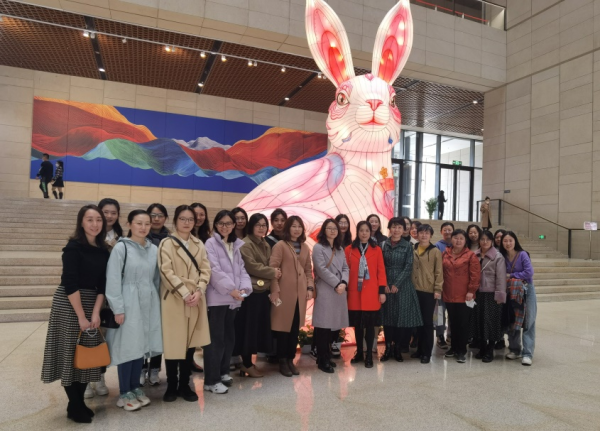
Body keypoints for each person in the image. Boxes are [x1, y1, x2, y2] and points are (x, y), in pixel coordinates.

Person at [41, 205, 109, 423]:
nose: (95, 224)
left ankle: (75, 405)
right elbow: (70, 283)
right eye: (90, 219)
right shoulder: (73, 248)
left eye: (98, 220)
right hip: (70, 303)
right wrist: (81, 315)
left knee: (87, 355)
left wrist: (96, 312)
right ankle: (76, 405)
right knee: (70, 354)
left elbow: (103, 284)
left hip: (92, 302)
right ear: (81, 222)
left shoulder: (104, 250)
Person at [105, 210, 162, 411]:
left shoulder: (153, 249)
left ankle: (135, 387)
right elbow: (113, 279)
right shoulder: (121, 248)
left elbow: (156, 279)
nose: (143, 227)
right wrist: (118, 309)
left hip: (148, 302)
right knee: (127, 347)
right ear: (129, 224)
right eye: (139, 223)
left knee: (141, 346)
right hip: (128, 302)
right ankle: (124, 392)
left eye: (147, 223)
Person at [158, 205, 211, 402]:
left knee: (190, 343)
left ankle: (184, 384)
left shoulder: (199, 244)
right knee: (174, 343)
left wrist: (199, 290)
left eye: (190, 219)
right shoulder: (166, 243)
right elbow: (166, 271)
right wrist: (184, 292)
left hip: (195, 299)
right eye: (183, 219)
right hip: (174, 299)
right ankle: (171, 384)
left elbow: (206, 269)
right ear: (175, 221)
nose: (187, 222)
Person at [204, 210, 252, 394]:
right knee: (215, 340)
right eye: (221, 223)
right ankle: (211, 380)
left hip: (233, 299)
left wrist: (244, 289)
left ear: (234, 225)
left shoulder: (235, 244)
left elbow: (242, 270)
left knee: (228, 338)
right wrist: (232, 290)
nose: (225, 227)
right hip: (218, 298)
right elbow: (213, 270)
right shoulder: (210, 243)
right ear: (216, 225)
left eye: (228, 223)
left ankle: (223, 372)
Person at [83, 198, 123, 400]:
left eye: (113, 212)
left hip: (110, 295)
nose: (109, 216)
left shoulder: (122, 239)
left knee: (104, 338)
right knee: (88, 336)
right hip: (91, 292)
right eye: (105, 212)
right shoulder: (90, 236)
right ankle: (85, 381)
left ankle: (99, 377)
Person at [236, 214, 281, 378]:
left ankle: (249, 363)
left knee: (257, 328)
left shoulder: (265, 243)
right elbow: (251, 266)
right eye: (258, 225)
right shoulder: (245, 244)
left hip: (263, 291)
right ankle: (246, 364)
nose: (262, 228)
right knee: (248, 328)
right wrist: (272, 272)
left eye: (264, 225)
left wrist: (272, 274)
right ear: (251, 226)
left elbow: (268, 264)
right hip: (250, 293)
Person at [269, 216, 314, 377]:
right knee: (283, 328)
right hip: (283, 293)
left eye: (299, 226)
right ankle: (282, 361)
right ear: (288, 228)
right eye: (293, 226)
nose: (296, 229)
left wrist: (310, 287)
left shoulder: (304, 247)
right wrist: (275, 290)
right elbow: (272, 269)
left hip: (300, 294)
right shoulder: (280, 245)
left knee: (294, 328)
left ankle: (290, 359)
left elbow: (308, 270)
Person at [380, 217, 423, 362]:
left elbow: (408, 266)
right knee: (387, 318)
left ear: (404, 229)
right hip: (386, 285)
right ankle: (387, 348)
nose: (396, 230)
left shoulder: (408, 246)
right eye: (394, 227)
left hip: (403, 286)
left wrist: (397, 284)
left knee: (400, 318)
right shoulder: (383, 245)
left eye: (399, 227)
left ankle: (397, 348)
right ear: (389, 228)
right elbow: (380, 266)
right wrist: (385, 283)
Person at [345, 221, 387, 368]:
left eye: (367, 231)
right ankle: (359, 352)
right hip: (354, 293)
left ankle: (369, 354)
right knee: (357, 326)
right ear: (357, 232)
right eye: (361, 230)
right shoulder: (349, 249)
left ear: (370, 233)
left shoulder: (377, 249)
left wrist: (382, 291)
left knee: (370, 326)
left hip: (371, 293)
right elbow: (345, 270)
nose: (364, 233)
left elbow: (381, 271)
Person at [312, 219, 349, 374]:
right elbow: (321, 269)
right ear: (324, 230)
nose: (333, 231)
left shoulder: (340, 249)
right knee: (323, 327)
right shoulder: (318, 247)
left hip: (339, 290)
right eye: (329, 228)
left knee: (333, 326)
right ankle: (322, 359)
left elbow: (346, 267)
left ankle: (326, 356)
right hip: (326, 289)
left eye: (335, 228)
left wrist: (344, 283)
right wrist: (337, 283)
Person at [442, 229, 481, 363]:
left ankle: (461, 350)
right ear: (451, 239)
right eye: (455, 238)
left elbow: (475, 276)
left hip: (465, 295)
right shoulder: (445, 254)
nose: (458, 240)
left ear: (465, 241)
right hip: (448, 293)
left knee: (463, 324)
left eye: (461, 238)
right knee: (452, 322)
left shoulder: (470, 255)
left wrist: (471, 291)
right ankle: (453, 348)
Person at [500, 231, 536, 366]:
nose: (508, 243)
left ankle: (527, 353)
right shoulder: (502, 256)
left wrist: (511, 275)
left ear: (515, 241)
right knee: (513, 320)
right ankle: (515, 350)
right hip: (511, 291)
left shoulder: (522, 254)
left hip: (527, 290)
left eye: (510, 240)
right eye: (505, 241)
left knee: (528, 321)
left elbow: (529, 272)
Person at [144, 203, 170, 385]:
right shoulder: (139, 237)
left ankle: (154, 369)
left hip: (163, 290)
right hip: (143, 289)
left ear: (166, 218)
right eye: (153, 215)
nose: (156, 219)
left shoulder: (170, 239)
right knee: (142, 331)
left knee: (157, 331)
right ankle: (140, 367)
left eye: (160, 215)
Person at [471, 230, 506, 363]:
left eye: (487, 239)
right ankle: (482, 347)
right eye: (482, 239)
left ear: (491, 241)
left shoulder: (498, 256)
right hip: (478, 293)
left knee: (491, 322)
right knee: (479, 321)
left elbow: (501, 278)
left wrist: (500, 296)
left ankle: (490, 349)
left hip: (492, 294)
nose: (485, 242)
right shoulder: (474, 255)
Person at [411, 224, 443, 364]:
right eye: (421, 233)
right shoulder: (413, 249)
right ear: (417, 234)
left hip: (428, 290)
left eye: (427, 233)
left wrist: (437, 289)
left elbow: (439, 272)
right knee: (418, 322)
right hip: (414, 290)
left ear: (431, 235)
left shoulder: (435, 251)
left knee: (427, 323)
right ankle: (419, 349)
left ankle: (427, 352)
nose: (424, 235)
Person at [434, 221, 454, 349]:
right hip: (441, 285)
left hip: (454, 287)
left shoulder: (458, 245)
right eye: (445, 230)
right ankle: (440, 335)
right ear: (441, 232)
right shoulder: (437, 246)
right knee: (440, 312)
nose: (447, 232)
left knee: (452, 312)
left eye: (449, 229)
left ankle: (450, 334)